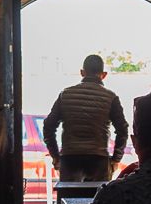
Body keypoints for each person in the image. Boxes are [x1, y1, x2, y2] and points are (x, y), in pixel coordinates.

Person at [43, 53, 129, 182]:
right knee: (98, 201)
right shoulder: (111, 97)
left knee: (69, 199)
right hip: (98, 161)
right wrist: (116, 159)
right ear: (103, 75)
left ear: (82, 72)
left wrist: (56, 157)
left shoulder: (65, 94)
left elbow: (48, 126)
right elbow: (123, 129)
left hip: (70, 159)